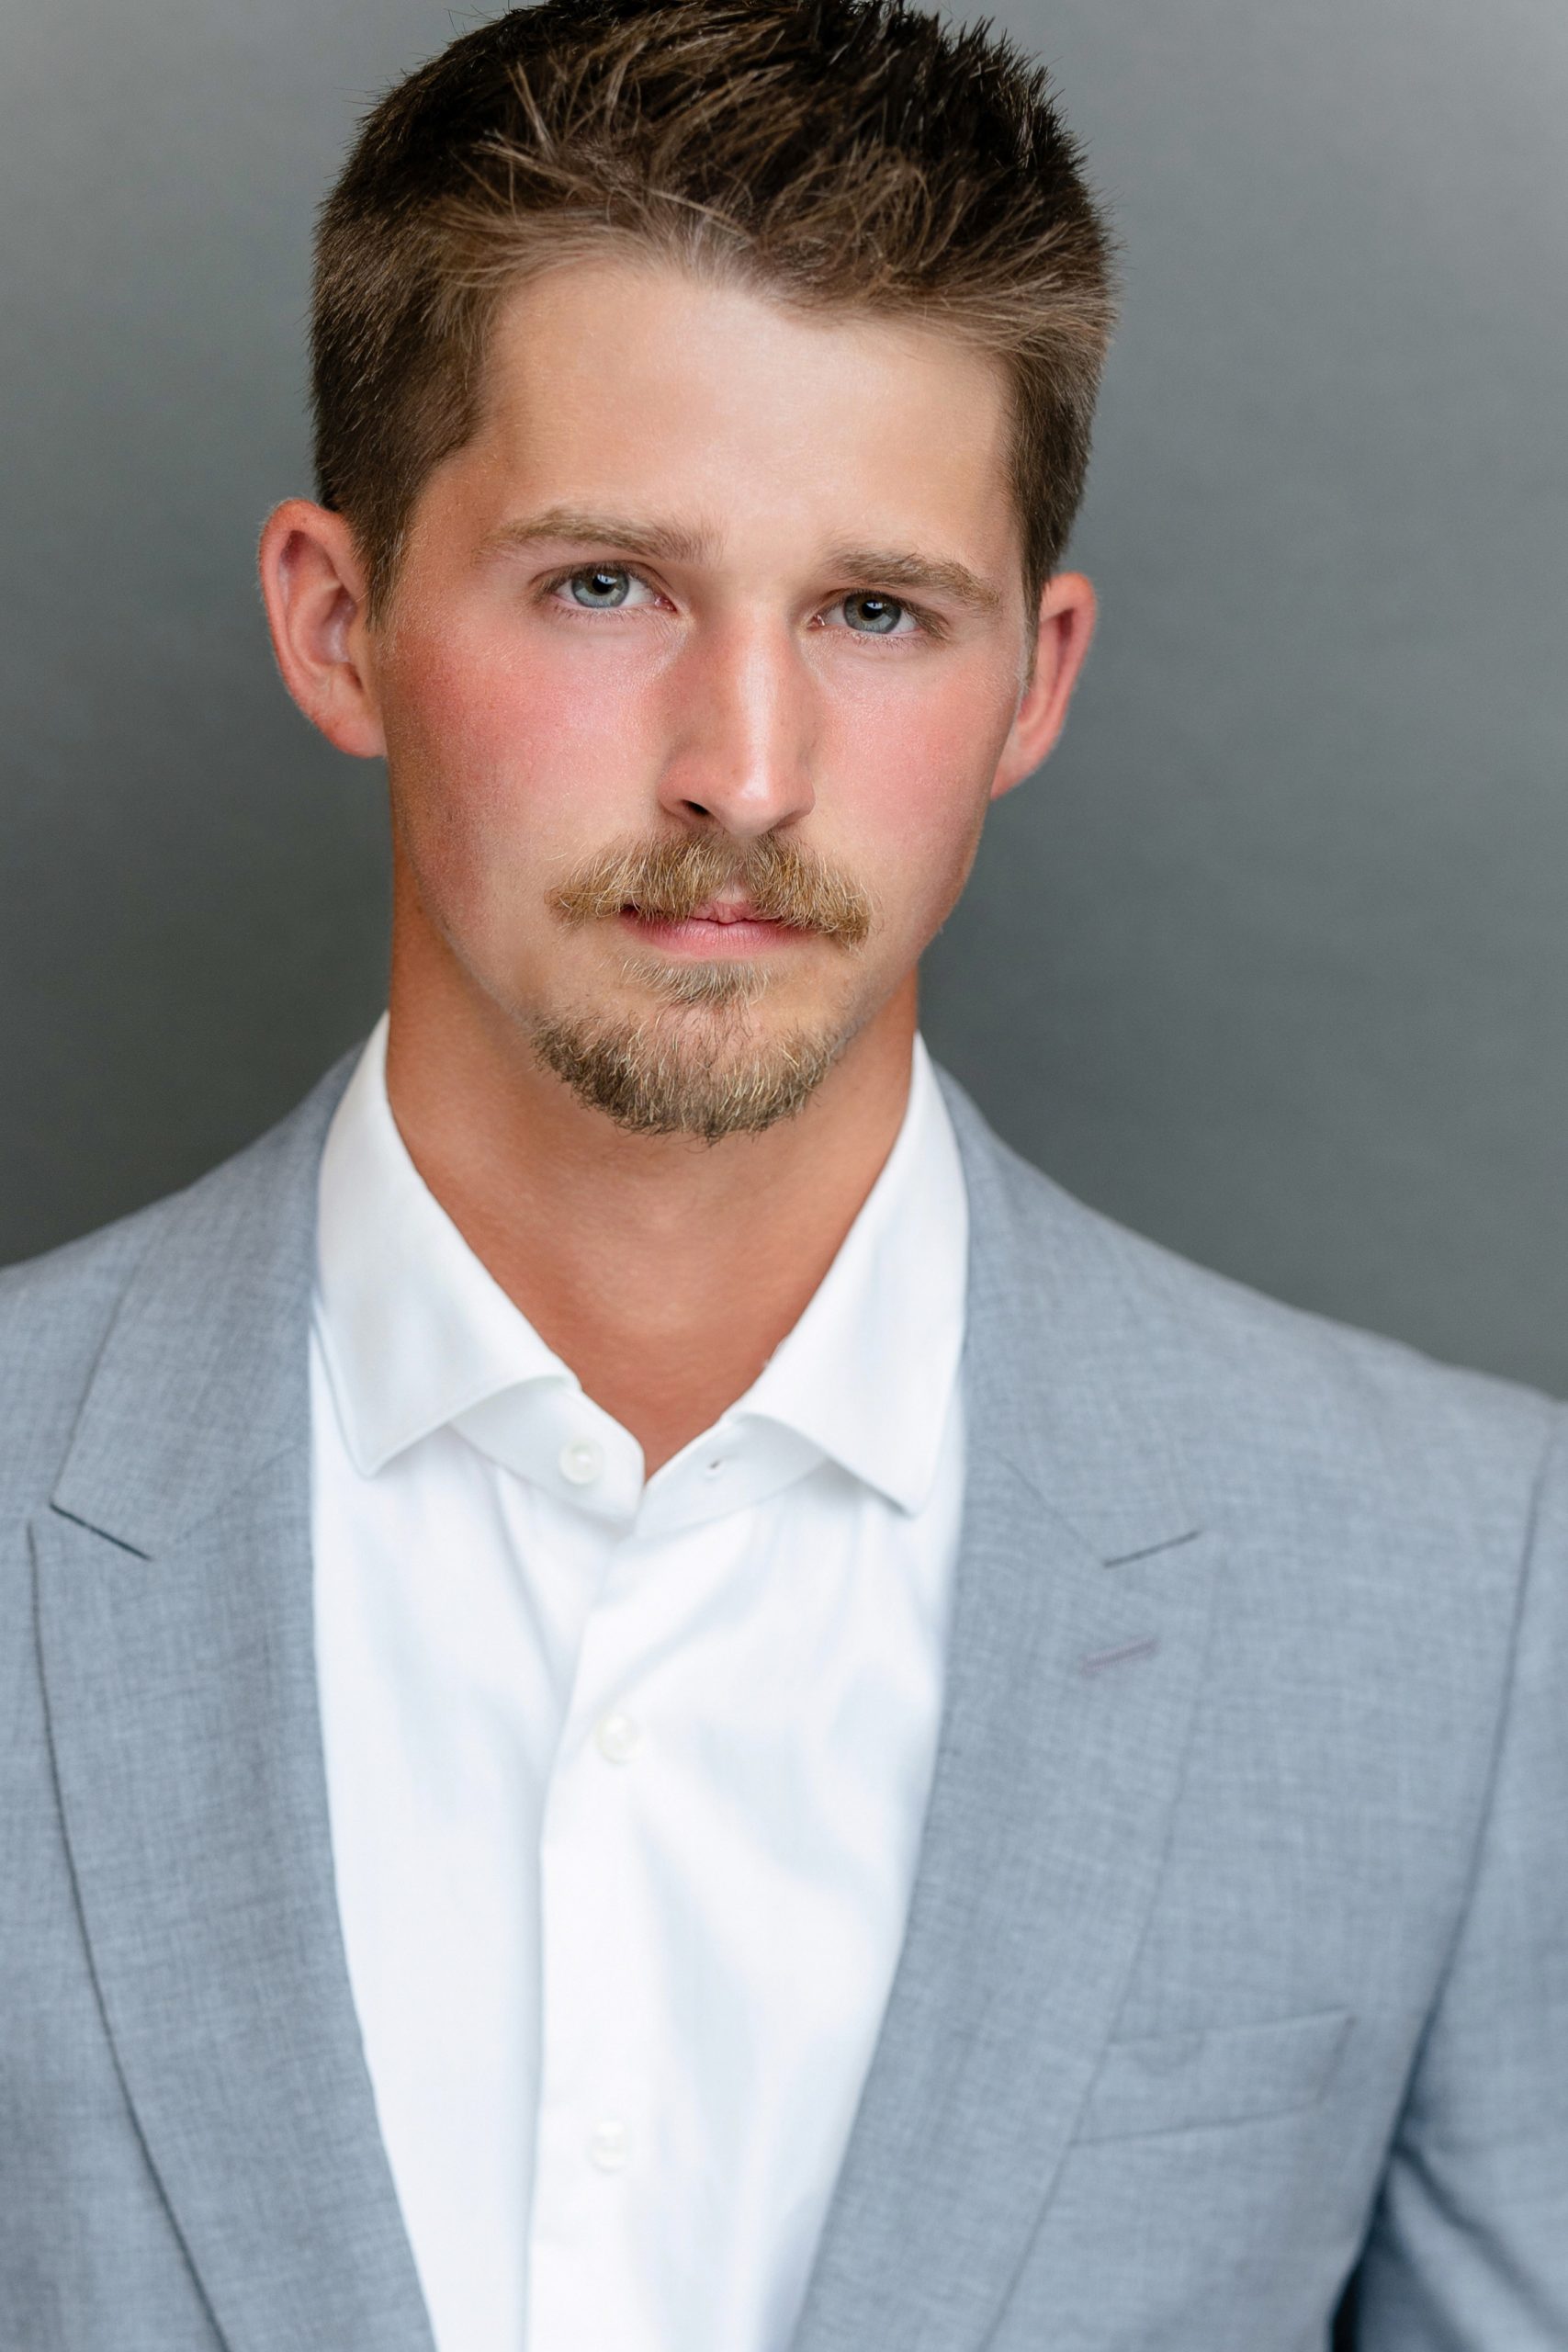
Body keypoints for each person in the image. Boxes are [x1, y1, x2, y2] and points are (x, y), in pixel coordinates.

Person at [3, 2, 1565, 2346]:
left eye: (872, 610)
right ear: (339, 623)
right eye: (602, 584)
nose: (743, 767)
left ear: (1031, 682)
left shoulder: (1466, 1592)